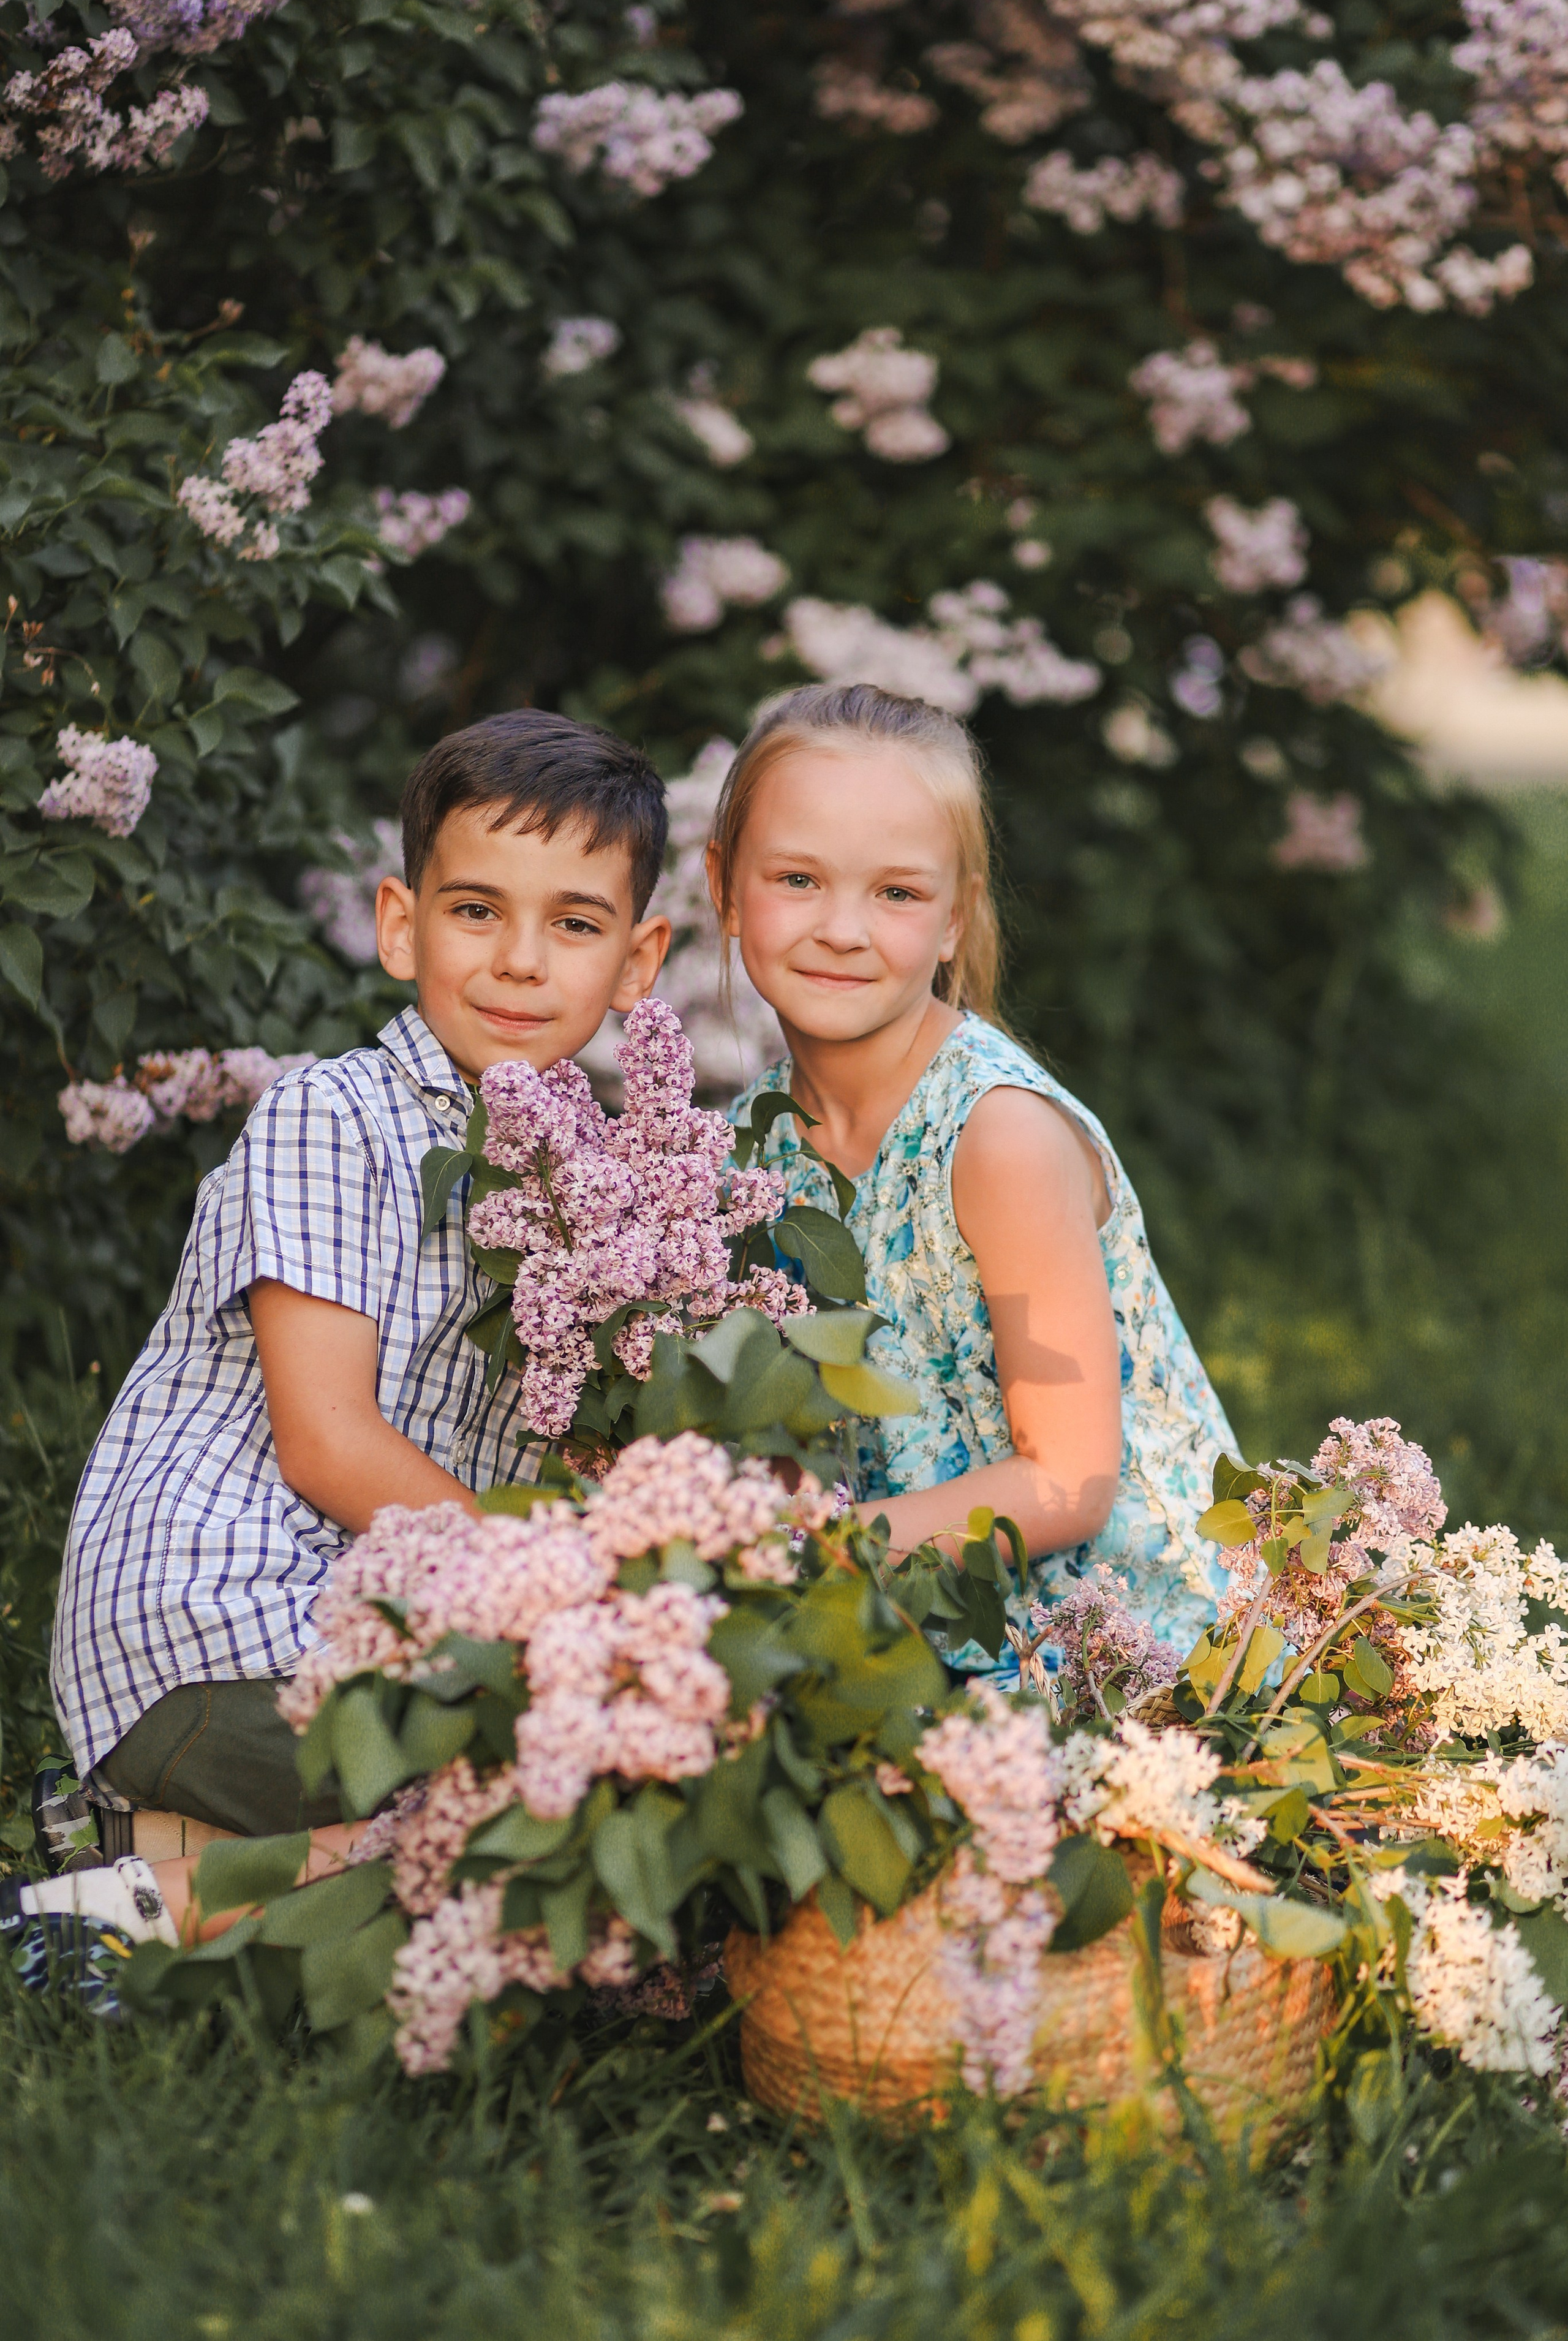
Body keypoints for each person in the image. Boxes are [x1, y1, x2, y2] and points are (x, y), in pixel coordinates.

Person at [36, 711, 671, 1888]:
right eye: (476, 910)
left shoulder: (605, 1191)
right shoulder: (335, 1117)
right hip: (219, 1625)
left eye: (575, 924)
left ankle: (132, 1856)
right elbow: (330, 1446)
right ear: (400, 925)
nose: (521, 961)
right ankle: (123, 1915)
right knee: (547, 1829)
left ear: (639, 963)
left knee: (622, 1807)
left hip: (379, 1634)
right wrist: (576, 1594)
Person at [713, 681, 1235, 1675]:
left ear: (956, 920)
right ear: (724, 886)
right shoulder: (747, 1148)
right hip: (916, 1621)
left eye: (897, 893)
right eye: (797, 879)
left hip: (1139, 1650)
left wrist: (803, 1557)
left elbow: (1069, 1481)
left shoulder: (997, 1137)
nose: (842, 928)